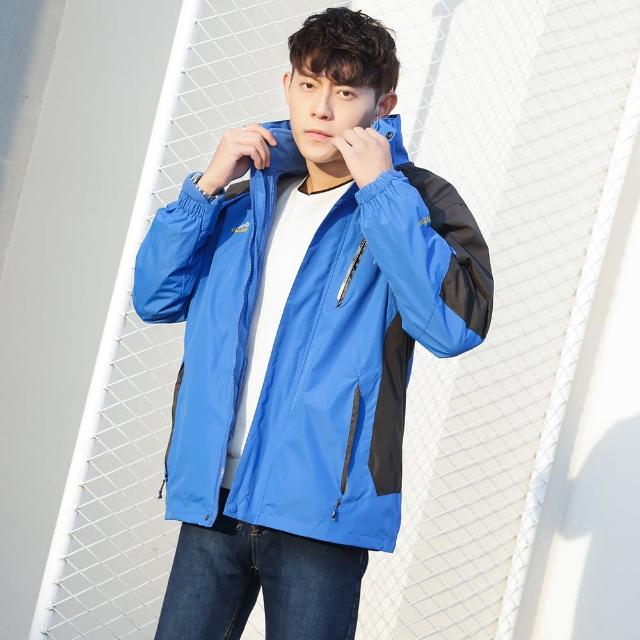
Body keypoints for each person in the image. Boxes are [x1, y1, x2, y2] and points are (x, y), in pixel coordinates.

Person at [133, 7, 494, 640]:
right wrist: (206, 187)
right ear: (288, 86)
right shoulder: (246, 200)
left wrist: (383, 191)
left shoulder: (416, 201)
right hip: (216, 495)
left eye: (346, 93)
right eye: (309, 85)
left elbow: (452, 327)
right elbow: (155, 298)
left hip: (321, 509)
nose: (321, 109)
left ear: (383, 105)